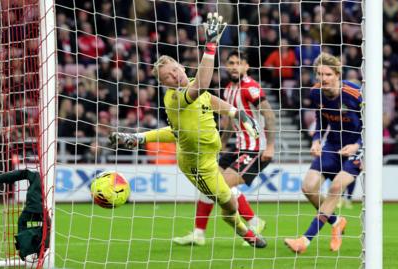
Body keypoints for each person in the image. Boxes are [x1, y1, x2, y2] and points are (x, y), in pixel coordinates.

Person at [110, 13, 266, 248]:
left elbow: (209, 98)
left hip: (210, 155)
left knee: (228, 195)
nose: (174, 76)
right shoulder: (175, 97)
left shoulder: (191, 83)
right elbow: (202, 87)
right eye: (167, 77)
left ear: (181, 66)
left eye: (174, 70)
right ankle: (244, 231)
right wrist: (211, 45)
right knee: (228, 205)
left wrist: (237, 113)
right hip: (198, 166)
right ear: (164, 84)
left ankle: (231, 228)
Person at [172, 50, 277, 246]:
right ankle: (198, 234)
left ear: (246, 67)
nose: (234, 66)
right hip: (238, 148)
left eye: (238, 63)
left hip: (255, 149)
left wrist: (270, 146)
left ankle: (254, 222)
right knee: (207, 184)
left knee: (219, 185)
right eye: (231, 62)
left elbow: (269, 115)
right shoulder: (228, 88)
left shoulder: (251, 88)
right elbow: (230, 120)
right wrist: (220, 144)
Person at [284, 53, 363, 254]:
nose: (323, 78)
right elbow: (321, 120)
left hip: (358, 148)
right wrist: (316, 139)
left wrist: (357, 145)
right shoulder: (315, 92)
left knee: (336, 186)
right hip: (332, 145)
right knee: (308, 187)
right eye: (319, 74)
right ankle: (336, 221)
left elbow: (372, 124)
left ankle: (305, 240)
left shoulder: (355, 94)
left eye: (327, 74)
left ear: (337, 74)